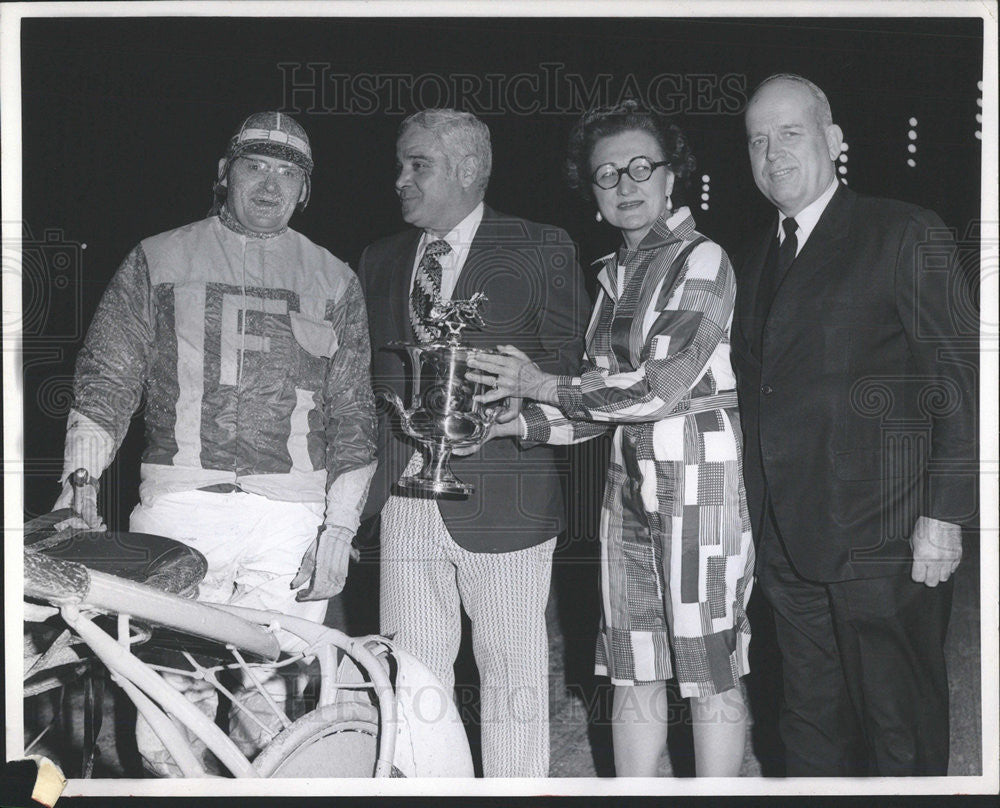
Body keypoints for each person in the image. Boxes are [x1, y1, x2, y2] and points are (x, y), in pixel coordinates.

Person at [53, 111, 377, 773]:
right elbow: (107, 381)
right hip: (181, 512)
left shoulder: (334, 277)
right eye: (255, 165)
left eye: (289, 172)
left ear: (306, 190)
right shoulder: (158, 255)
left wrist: (339, 530)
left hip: (291, 522)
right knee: (167, 714)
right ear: (224, 173)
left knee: (271, 713)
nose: (270, 184)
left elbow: (354, 415)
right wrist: (79, 489)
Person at [468, 100, 754, 777]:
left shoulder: (703, 259)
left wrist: (541, 387)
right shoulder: (614, 275)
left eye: (639, 168)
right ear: (592, 193)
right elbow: (604, 399)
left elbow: (661, 386)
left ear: (669, 176)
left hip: (700, 484)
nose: (625, 185)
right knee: (633, 665)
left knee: (708, 668)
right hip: (629, 485)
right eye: (607, 175)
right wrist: (527, 422)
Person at [730, 74, 976, 775]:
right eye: (757, 140)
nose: (772, 153)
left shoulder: (902, 231)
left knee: (898, 732)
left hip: (886, 544)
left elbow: (961, 385)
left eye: (790, 133)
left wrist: (944, 516)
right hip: (788, 546)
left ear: (835, 141)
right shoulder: (753, 258)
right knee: (808, 730)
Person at [356, 108, 590, 777]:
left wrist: (532, 391)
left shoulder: (541, 245)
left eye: (416, 163)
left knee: (513, 684)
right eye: (400, 163)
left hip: (508, 501)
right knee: (414, 679)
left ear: (466, 168)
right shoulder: (378, 258)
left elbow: (577, 373)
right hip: (404, 499)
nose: (399, 179)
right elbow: (365, 386)